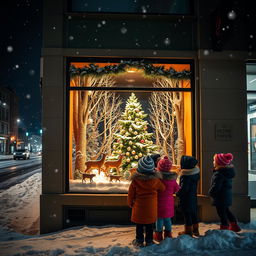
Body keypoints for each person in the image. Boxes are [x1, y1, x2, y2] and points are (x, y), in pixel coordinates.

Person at [127, 155, 165, 247]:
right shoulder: (155, 180)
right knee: (149, 226)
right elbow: (163, 188)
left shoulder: (135, 181)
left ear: (139, 168)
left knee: (139, 226)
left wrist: (130, 203)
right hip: (151, 209)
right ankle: (149, 240)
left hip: (139, 209)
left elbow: (130, 194)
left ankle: (139, 241)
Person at [208, 153, 241, 232]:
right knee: (226, 211)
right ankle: (234, 225)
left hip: (220, 197)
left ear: (218, 163)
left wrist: (211, 192)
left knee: (221, 213)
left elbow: (216, 186)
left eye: (214, 160)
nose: (213, 162)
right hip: (225, 196)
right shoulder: (226, 172)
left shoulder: (219, 174)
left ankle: (224, 227)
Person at [154, 156, 180, 242]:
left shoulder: (157, 179)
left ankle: (158, 235)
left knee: (159, 219)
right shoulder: (172, 180)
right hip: (169, 203)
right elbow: (177, 189)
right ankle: (168, 235)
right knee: (168, 219)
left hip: (158, 202)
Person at [176, 155, 200, 236]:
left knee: (187, 215)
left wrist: (178, 193)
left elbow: (184, 189)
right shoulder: (195, 174)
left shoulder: (186, 176)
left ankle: (188, 231)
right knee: (193, 214)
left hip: (186, 199)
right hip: (193, 198)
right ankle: (196, 230)